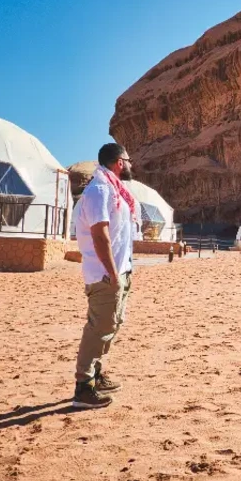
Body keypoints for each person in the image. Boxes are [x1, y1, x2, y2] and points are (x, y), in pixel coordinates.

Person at [72, 143, 136, 408]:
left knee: (111, 325)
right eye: (129, 160)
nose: (132, 164)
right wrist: (112, 273)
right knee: (98, 328)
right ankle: (83, 387)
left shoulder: (113, 189)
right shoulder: (99, 190)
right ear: (119, 162)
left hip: (118, 271)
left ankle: (95, 375)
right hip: (104, 275)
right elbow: (100, 234)